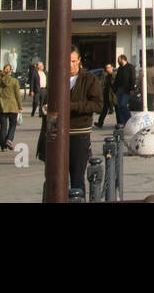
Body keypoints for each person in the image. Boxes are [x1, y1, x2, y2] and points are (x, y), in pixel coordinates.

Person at [42, 46, 106, 196]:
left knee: (77, 177)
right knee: (54, 177)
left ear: (79, 61)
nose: (70, 64)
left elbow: (98, 105)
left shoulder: (89, 79)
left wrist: (70, 106)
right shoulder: (57, 78)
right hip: (56, 132)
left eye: (73, 61)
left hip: (79, 132)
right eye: (67, 61)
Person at [0, 63, 22, 150]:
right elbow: (17, 95)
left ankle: (3, 146)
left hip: (1, 106)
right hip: (13, 106)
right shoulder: (14, 81)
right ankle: (9, 139)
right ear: (11, 71)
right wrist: (20, 106)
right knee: (13, 124)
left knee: (3, 126)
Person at [113, 54, 134, 126]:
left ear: (122, 59)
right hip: (119, 89)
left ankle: (129, 120)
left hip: (127, 89)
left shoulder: (130, 67)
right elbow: (117, 79)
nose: (117, 61)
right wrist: (115, 89)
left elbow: (132, 78)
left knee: (123, 104)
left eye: (118, 59)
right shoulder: (120, 68)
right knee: (119, 106)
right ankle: (123, 122)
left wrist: (131, 88)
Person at [95, 64, 115, 128]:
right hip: (106, 94)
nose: (107, 69)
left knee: (117, 109)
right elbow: (103, 84)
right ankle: (100, 123)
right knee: (104, 109)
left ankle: (120, 123)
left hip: (113, 95)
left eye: (109, 68)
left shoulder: (114, 75)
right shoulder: (105, 75)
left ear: (112, 68)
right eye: (106, 68)